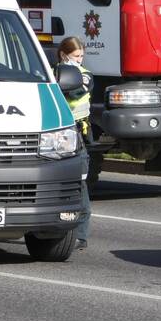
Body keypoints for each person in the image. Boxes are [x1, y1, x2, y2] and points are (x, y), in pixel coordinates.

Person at [57, 37, 93, 250]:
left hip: (77, 134)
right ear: (64, 55)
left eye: (81, 56)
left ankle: (80, 234)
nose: (79, 60)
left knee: (79, 183)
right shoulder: (50, 72)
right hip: (53, 134)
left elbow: (74, 91)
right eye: (75, 56)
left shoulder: (85, 75)